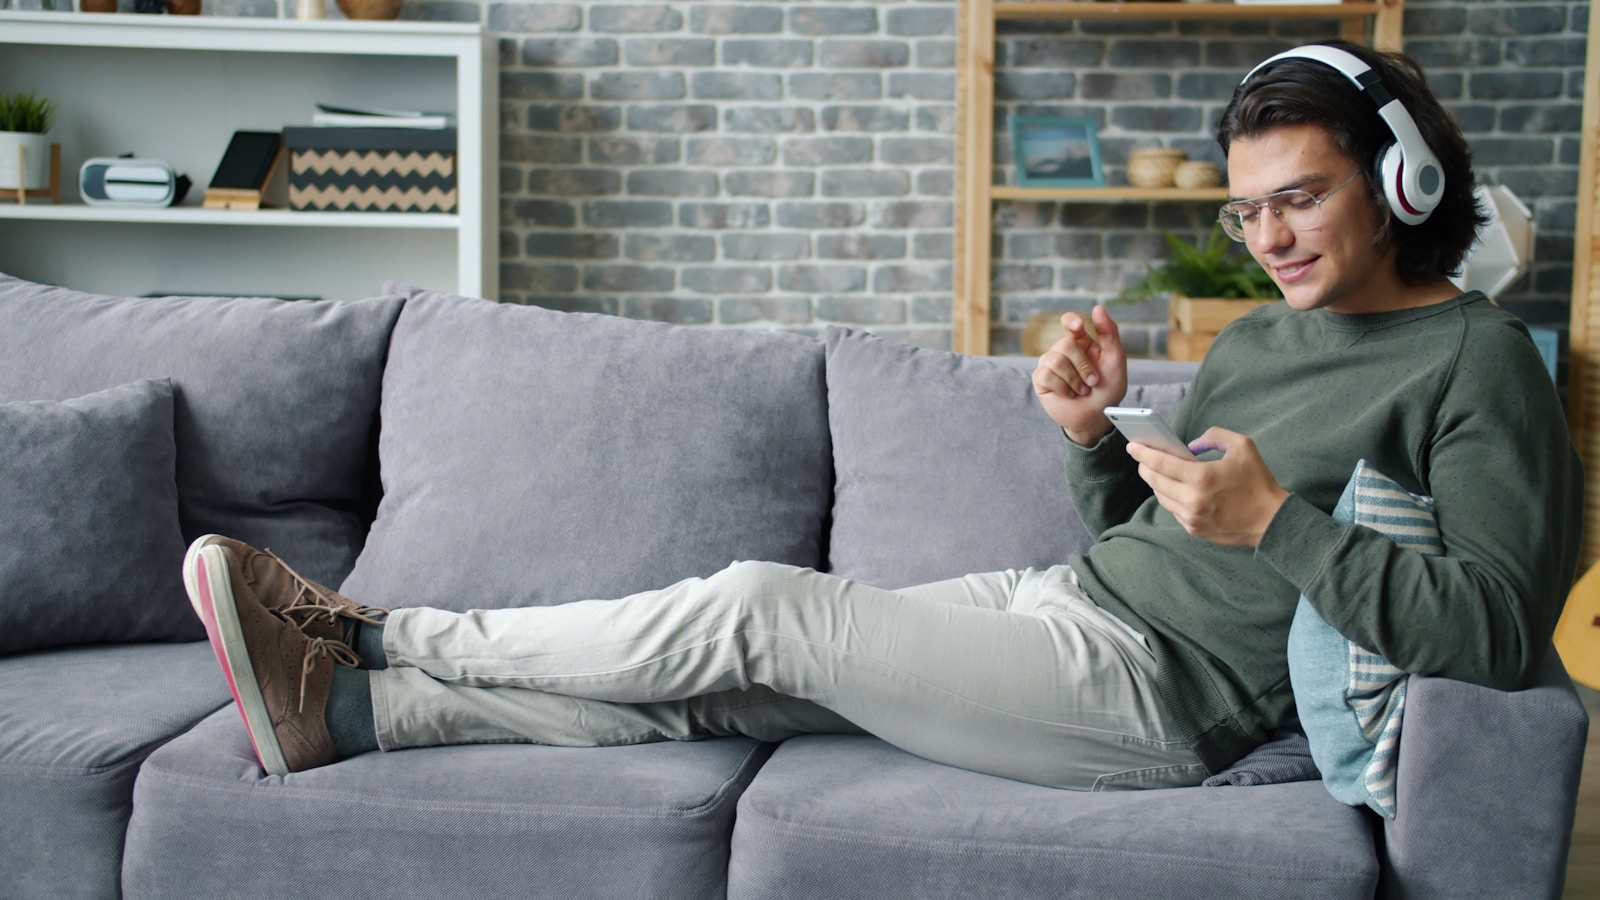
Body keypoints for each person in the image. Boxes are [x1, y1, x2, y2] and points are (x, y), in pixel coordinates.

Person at [185, 40, 1583, 789]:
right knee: (735, 688)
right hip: (1069, 603)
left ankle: (376, 628)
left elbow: (1505, 634)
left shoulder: (1477, 366)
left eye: (1302, 197)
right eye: (1249, 206)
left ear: (1400, 181)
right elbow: (1154, 528)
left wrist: (1277, 522)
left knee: (760, 607)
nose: (1269, 235)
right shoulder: (1264, 334)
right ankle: (358, 720)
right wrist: (1095, 439)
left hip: (1159, 701)